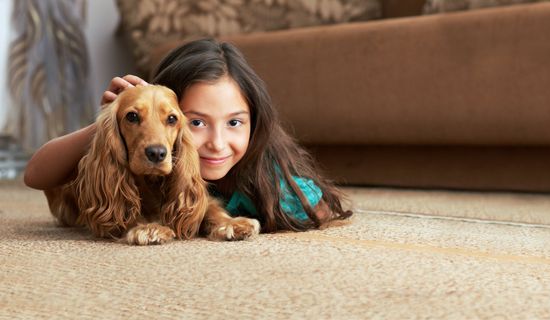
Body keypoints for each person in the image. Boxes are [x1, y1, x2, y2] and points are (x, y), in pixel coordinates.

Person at [24, 38, 352, 233]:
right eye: (196, 123)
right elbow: (36, 175)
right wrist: (115, 118)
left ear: (255, 121)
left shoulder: (264, 174)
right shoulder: (137, 150)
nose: (217, 143)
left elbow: (319, 209)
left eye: (235, 123)